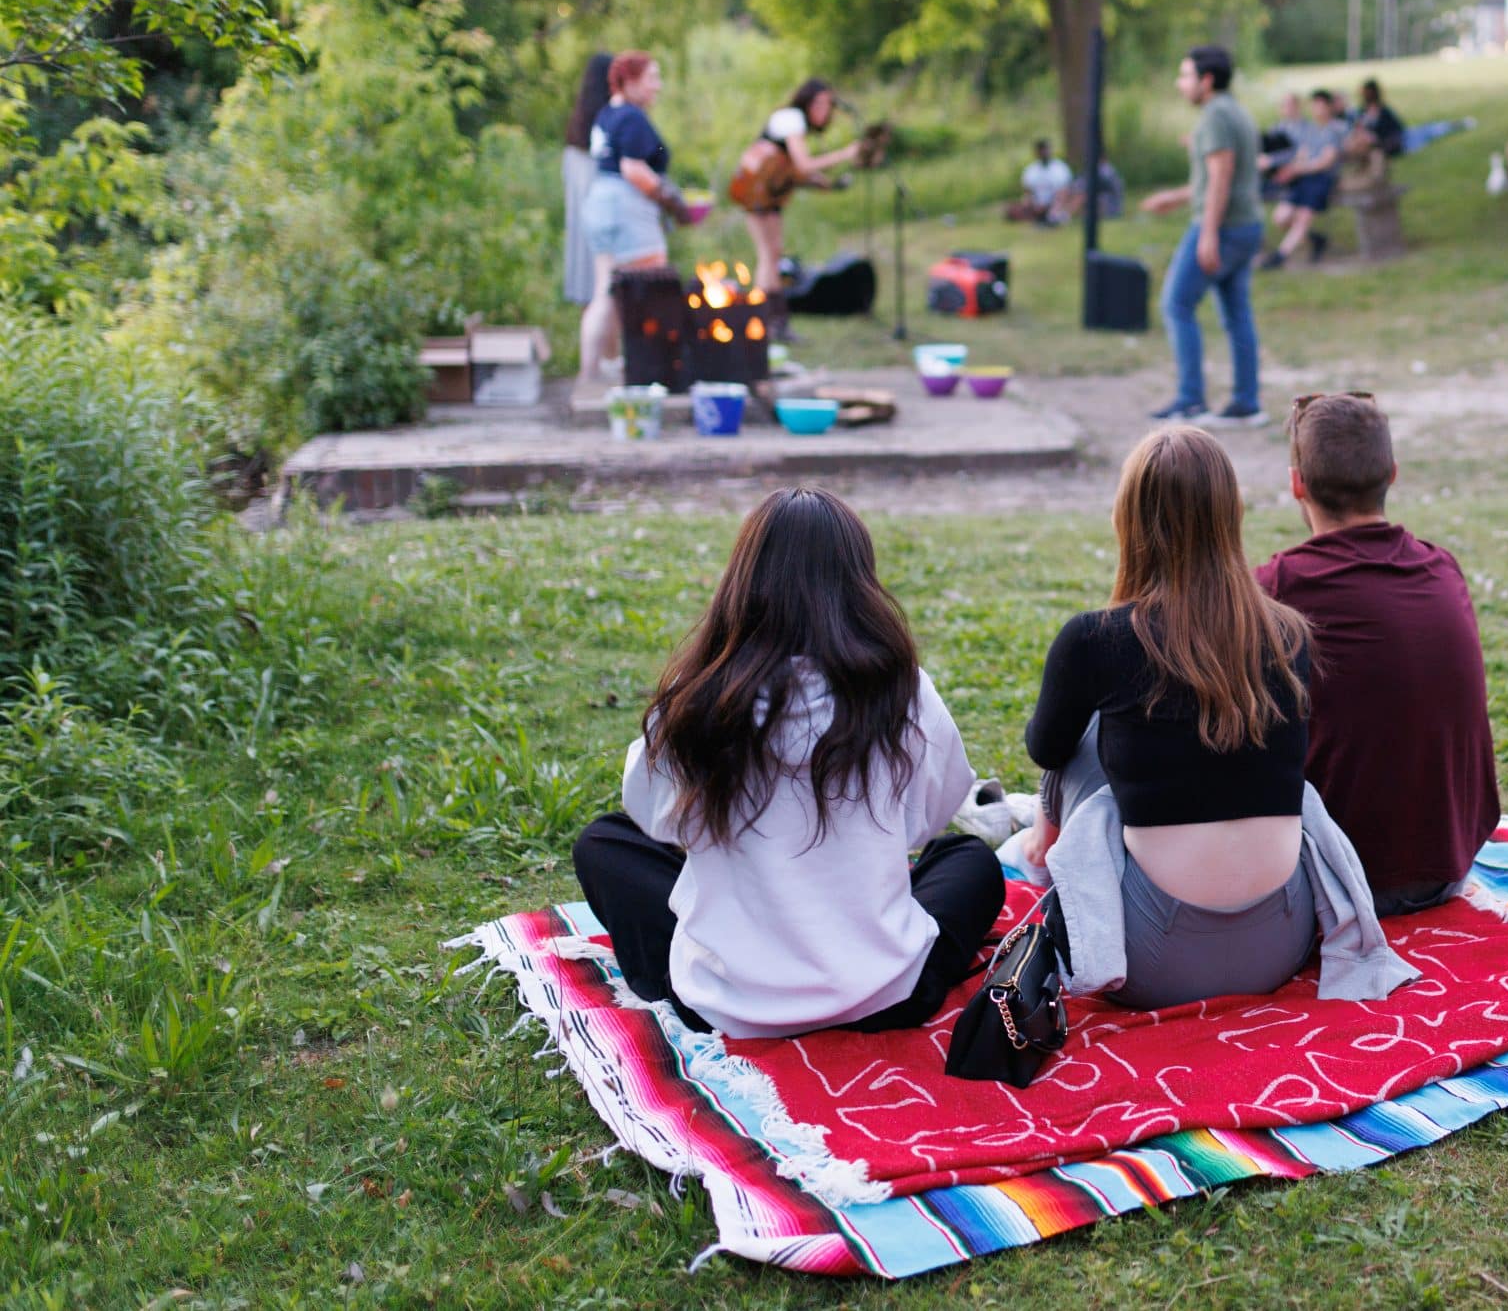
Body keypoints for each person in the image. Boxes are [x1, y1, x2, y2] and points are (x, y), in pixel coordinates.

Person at [569, 488, 1003, 1039]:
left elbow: (657, 816)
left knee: (605, 844)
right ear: (860, 585)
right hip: (884, 997)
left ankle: (721, 973)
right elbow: (925, 825)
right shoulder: (905, 693)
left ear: (741, 586)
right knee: (967, 859)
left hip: (726, 1003)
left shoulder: (697, 695)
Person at [1021, 428, 1412, 1009]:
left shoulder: (1094, 638)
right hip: (1281, 944)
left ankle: (1038, 854)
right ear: (1229, 517)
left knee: (1083, 737)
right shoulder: (1287, 634)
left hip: (1148, 960)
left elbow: (1045, 748)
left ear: (1128, 519)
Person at [1256, 394, 1500, 914]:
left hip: (1340, 879)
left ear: (1297, 483)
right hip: (1450, 863)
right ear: (1391, 474)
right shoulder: (1442, 567)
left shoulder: (1277, 587)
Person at [1140, 46, 1265, 426]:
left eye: (1185, 76)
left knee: (1176, 304)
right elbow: (1214, 178)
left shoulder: (1214, 116)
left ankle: (1191, 400)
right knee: (1236, 314)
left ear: (1206, 80)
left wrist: (1208, 233)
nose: (1181, 84)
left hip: (1223, 228)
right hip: (1247, 225)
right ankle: (1247, 403)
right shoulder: (1235, 111)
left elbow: (1221, 177)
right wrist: (1177, 198)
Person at [579, 50, 678, 386]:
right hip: (626, 207)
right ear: (630, 81)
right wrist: (670, 200)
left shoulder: (607, 114)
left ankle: (591, 371)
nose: (658, 86)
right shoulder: (633, 118)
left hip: (599, 202)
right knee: (648, 289)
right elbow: (632, 168)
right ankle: (649, 368)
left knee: (606, 292)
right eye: (652, 78)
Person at [732, 80, 867, 296]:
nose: (824, 112)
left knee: (773, 253)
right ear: (807, 102)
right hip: (757, 193)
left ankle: (772, 312)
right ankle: (764, 311)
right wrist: (844, 154)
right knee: (768, 254)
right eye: (820, 104)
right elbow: (803, 164)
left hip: (770, 195)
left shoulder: (794, 122)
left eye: (828, 106)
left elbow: (792, 168)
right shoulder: (791, 119)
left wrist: (821, 182)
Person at [1259, 88, 1347, 269]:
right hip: (1303, 179)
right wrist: (1290, 170)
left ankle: (1280, 257)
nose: (1318, 110)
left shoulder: (1335, 129)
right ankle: (1316, 239)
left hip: (1322, 180)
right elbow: (1301, 154)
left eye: (1322, 106)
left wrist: (1299, 169)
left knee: (1303, 217)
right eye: (1315, 106)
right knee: (1281, 217)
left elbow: (1325, 162)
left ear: (1330, 108)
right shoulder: (1310, 130)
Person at [560, 52, 612, 306]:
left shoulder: (575, 135)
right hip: (602, 229)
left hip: (580, 228)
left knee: (589, 301)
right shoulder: (607, 130)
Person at [1342, 78, 1407, 196]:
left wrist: (1375, 138)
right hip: (1363, 144)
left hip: (1380, 143)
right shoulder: (1362, 111)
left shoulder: (1384, 112)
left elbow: (1396, 131)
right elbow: (1356, 127)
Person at [1007, 138, 1081, 226]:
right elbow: (1027, 192)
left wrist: (1054, 205)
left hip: (1056, 202)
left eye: (1045, 150)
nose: (1044, 153)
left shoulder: (1060, 168)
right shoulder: (1031, 170)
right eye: (1041, 150)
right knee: (1012, 209)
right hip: (1037, 204)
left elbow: (1065, 190)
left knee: (1066, 195)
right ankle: (1040, 217)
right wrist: (1030, 204)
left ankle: (1055, 215)